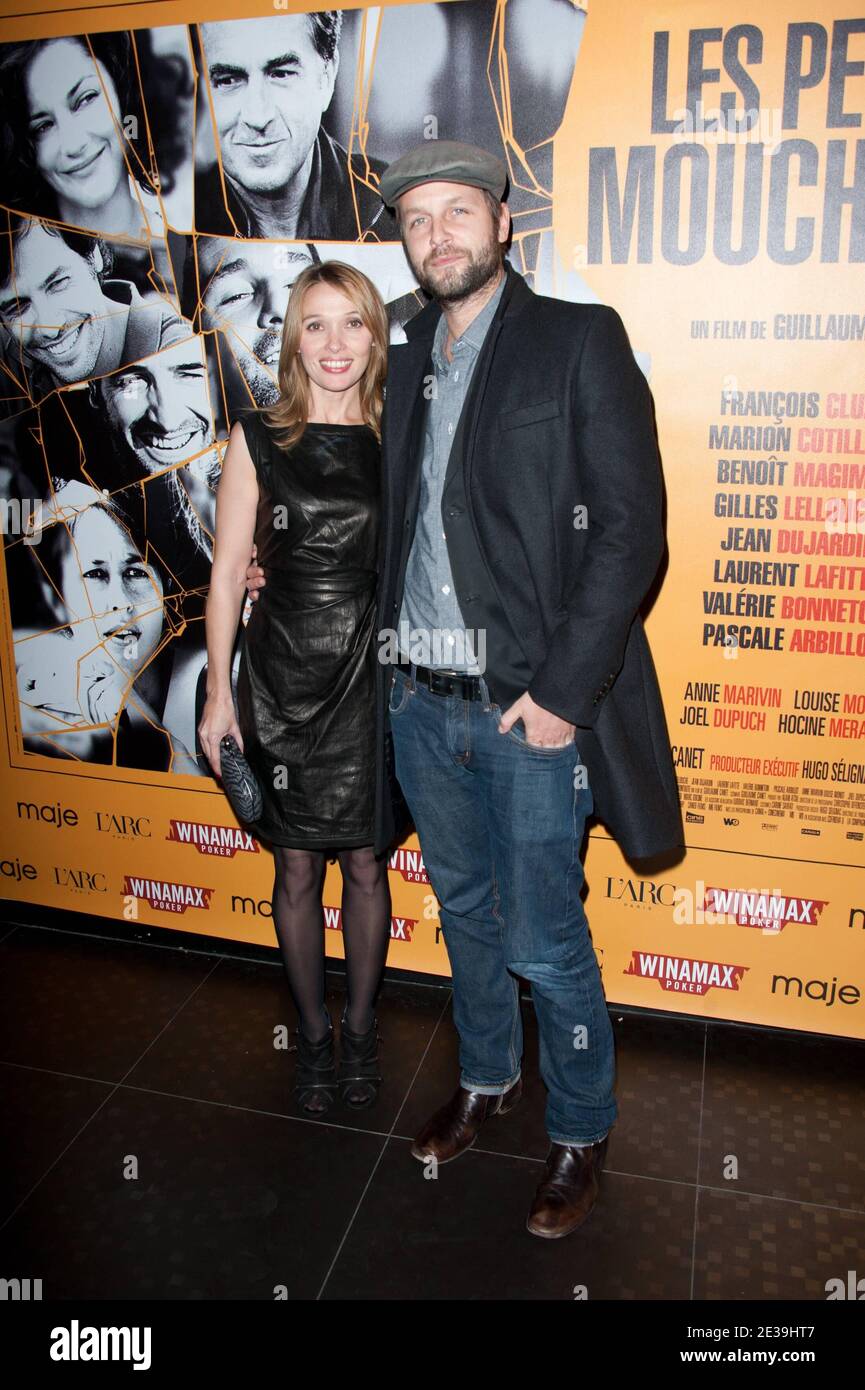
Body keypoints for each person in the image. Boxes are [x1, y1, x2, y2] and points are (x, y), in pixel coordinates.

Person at [244, 140, 683, 1238]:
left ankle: (580, 1128)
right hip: (414, 704)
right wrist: (277, 555)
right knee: (471, 919)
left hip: (527, 708)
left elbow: (629, 535)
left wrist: (557, 700)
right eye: (416, 218)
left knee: (545, 936)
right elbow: (335, 456)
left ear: (502, 218)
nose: (437, 234)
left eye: (458, 211)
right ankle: (487, 1077)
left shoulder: (578, 340)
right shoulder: (399, 348)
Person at [198, 260, 396, 1117]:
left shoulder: (402, 432)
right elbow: (224, 575)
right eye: (314, 324)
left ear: (374, 334)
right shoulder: (257, 436)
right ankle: (311, 1037)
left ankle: (359, 1032)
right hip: (280, 673)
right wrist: (217, 695)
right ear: (292, 339)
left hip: (372, 672)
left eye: (351, 322)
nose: (334, 343)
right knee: (293, 870)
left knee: (364, 861)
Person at [16, 478, 200, 774]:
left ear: (167, 585)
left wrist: (145, 727)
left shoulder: (213, 681)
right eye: (94, 573)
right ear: (58, 596)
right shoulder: (38, 705)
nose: (119, 601)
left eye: (136, 572)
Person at [195, 13, 396, 241]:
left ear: (327, 78)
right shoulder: (165, 219)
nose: (258, 117)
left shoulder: (395, 207)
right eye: (228, 80)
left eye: (281, 74)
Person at [0, 217, 190, 417]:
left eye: (58, 284)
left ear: (94, 255)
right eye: (18, 307)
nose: (50, 328)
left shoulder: (184, 354)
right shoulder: (11, 368)